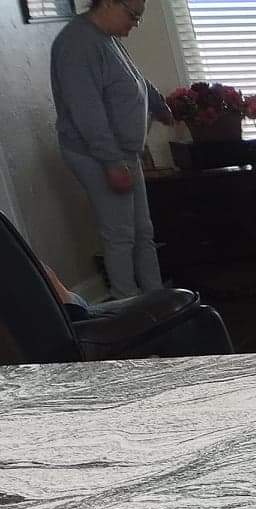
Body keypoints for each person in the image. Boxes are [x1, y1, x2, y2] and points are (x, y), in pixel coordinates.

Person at [50, 0, 173, 298]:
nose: (134, 24)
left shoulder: (107, 38)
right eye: (133, 16)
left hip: (125, 152)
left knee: (143, 231)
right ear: (108, 3)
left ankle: (157, 298)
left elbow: (135, 79)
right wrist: (111, 163)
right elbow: (87, 111)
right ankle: (128, 304)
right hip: (98, 155)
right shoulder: (77, 43)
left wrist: (158, 103)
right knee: (120, 234)